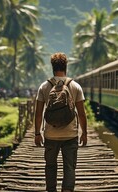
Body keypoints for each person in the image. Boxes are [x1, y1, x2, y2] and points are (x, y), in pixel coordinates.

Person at [34, 52, 88, 192]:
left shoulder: (44, 87)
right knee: (69, 167)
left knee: (50, 166)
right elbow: (82, 114)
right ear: (66, 66)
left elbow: (38, 113)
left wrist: (37, 133)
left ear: (52, 66)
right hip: (70, 135)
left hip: (50, 135)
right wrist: (84, 133)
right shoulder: (75, 86)